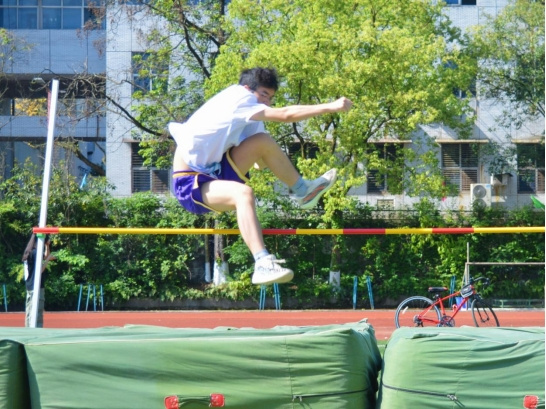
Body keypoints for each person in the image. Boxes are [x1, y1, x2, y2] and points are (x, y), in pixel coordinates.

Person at [169, 67, 352, 285]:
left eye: (271, 98)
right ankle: (262, 263)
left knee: (263, 141)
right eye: (264, 95)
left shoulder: (252, 110)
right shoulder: (240, 98)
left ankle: (303, 192)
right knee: (243, 193)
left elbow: (262, 153)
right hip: (189, 182)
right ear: (248, 89)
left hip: (214, 169)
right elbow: (285, 115)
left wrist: (266, 160)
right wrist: (330, 107)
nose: (267, 102)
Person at [22, 234, 55, 327]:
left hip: (30, 284)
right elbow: (39, 270)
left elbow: (45, 256)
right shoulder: (36, 253)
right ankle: (36, 329)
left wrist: (47, 246)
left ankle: (29, 329)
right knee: (37, 310)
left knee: (30, 310)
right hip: (35, 285)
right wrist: (48, 259)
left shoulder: (31, 251)